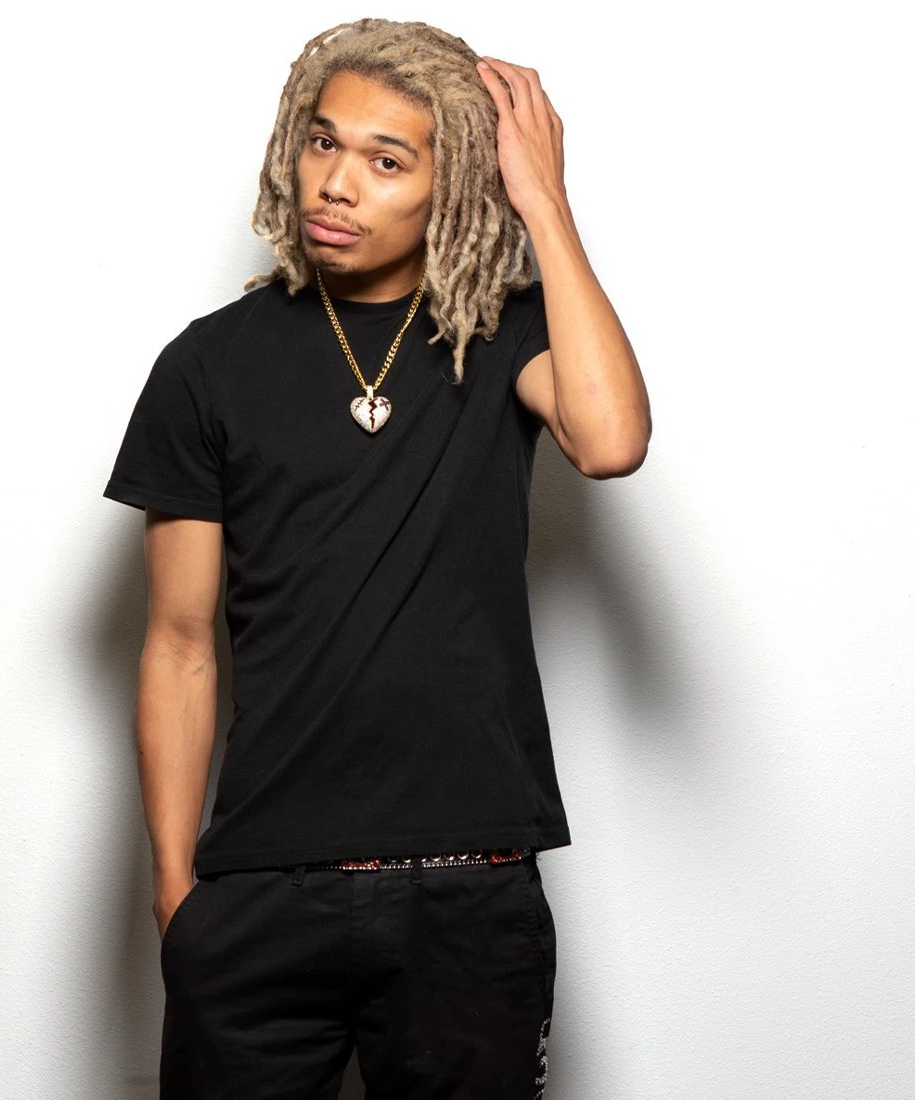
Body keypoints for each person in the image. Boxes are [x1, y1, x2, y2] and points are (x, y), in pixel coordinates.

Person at [103, 17, 650, 1099]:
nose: (336, 183)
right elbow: (177, 644)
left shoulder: (504, 333)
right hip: (260, 887)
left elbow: (610, 441)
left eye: (386, 160)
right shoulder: (207, 365)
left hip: (467, 887)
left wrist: (542, 201)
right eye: (323, 142)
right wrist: (176, 895)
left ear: (455, 184)